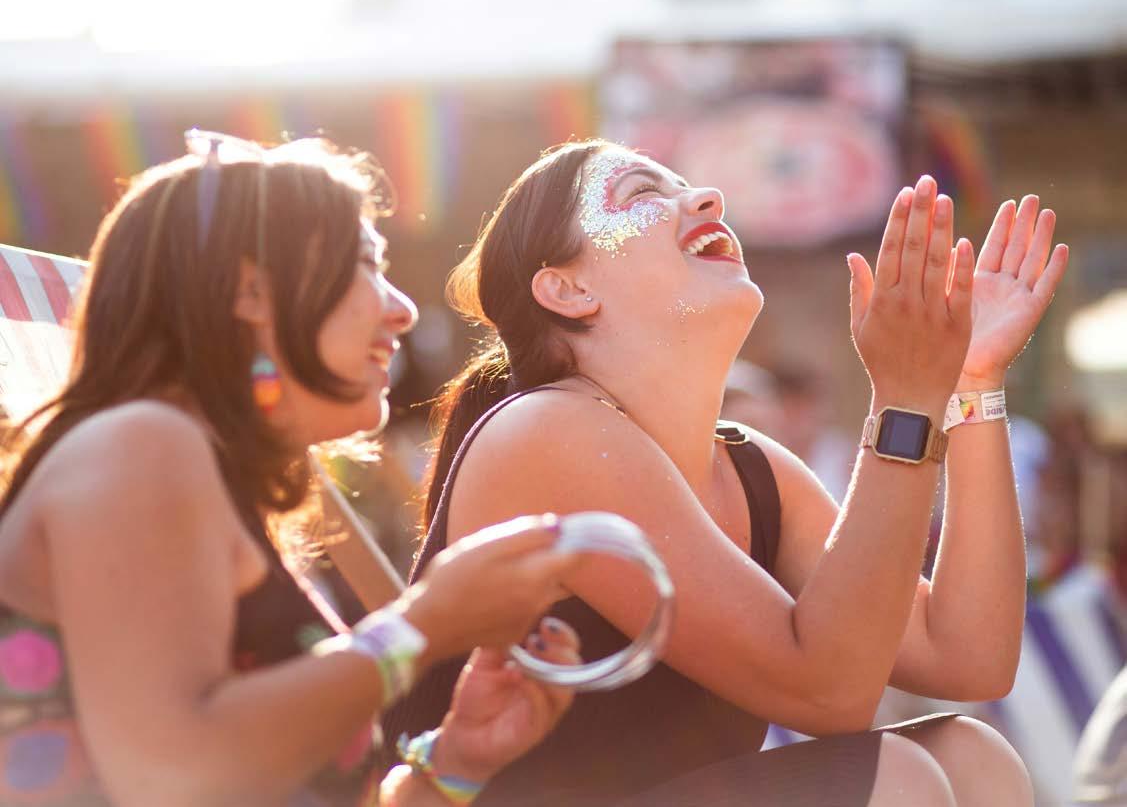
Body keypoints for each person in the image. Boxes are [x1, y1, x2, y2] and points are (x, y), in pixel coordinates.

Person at [388, 140, 1069, 805]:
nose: (707, 198)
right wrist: (904, 397)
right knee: (899, 777)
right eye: (643, 192)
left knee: (971, 755)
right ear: (568, 289)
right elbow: (829, 694)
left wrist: (969, 383)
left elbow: (969, 656)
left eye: (688, 186)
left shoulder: (752, 467)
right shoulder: (545, 429)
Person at [0, 133, 588, 807]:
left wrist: (453, 764)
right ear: (249, 287)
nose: (401, 308)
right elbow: (170, 777)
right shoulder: (141, 443)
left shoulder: (189, 467)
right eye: (366, 264)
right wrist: (424, 626)